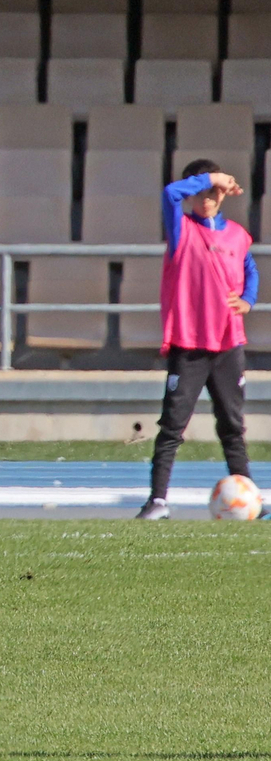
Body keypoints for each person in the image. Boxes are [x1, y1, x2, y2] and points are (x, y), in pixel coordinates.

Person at [136, 158, 257, 520]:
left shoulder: (237, 234)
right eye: (200, 190)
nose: (206, 197)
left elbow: (250, 268)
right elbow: (170, 193)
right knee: (172, 425)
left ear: (222, 195)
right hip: (189, 345)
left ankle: (249, 498)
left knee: (232, 425)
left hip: (228, 345)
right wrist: (211, 177)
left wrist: (248, 299)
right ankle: (157, 500)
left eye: (213, 191)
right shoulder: (182, 230)